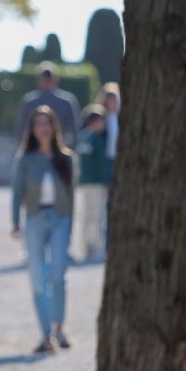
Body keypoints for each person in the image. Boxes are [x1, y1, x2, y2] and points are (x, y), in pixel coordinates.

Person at [11, 106, 75, 353]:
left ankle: (60, 327)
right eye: (38, 123)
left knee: (59, 274)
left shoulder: (66, 158)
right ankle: (45, 333)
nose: (43, 128)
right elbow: (17, 192)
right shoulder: (25, 159)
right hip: (35, 219)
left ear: (54, 127)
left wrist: (70, 226)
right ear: (32, 129)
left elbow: (71, 197)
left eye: (47, 123)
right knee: (37, 277)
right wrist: (16, 221)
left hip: (60, 219)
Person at [72, 105, 110, 263]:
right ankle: (93, 249)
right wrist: (106, 181)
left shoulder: (85, 137)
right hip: (95, 182)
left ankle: (87, 248)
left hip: (87, 182)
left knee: (89, 216)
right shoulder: (94, 138)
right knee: (95, 216)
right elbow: (98, 164)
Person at [16, 61, 81, 149]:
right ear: (56, 79)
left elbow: (22, 130)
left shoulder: (29, 101)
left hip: (44, 150)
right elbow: (73, 130)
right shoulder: (67, 101)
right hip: (52, 150)